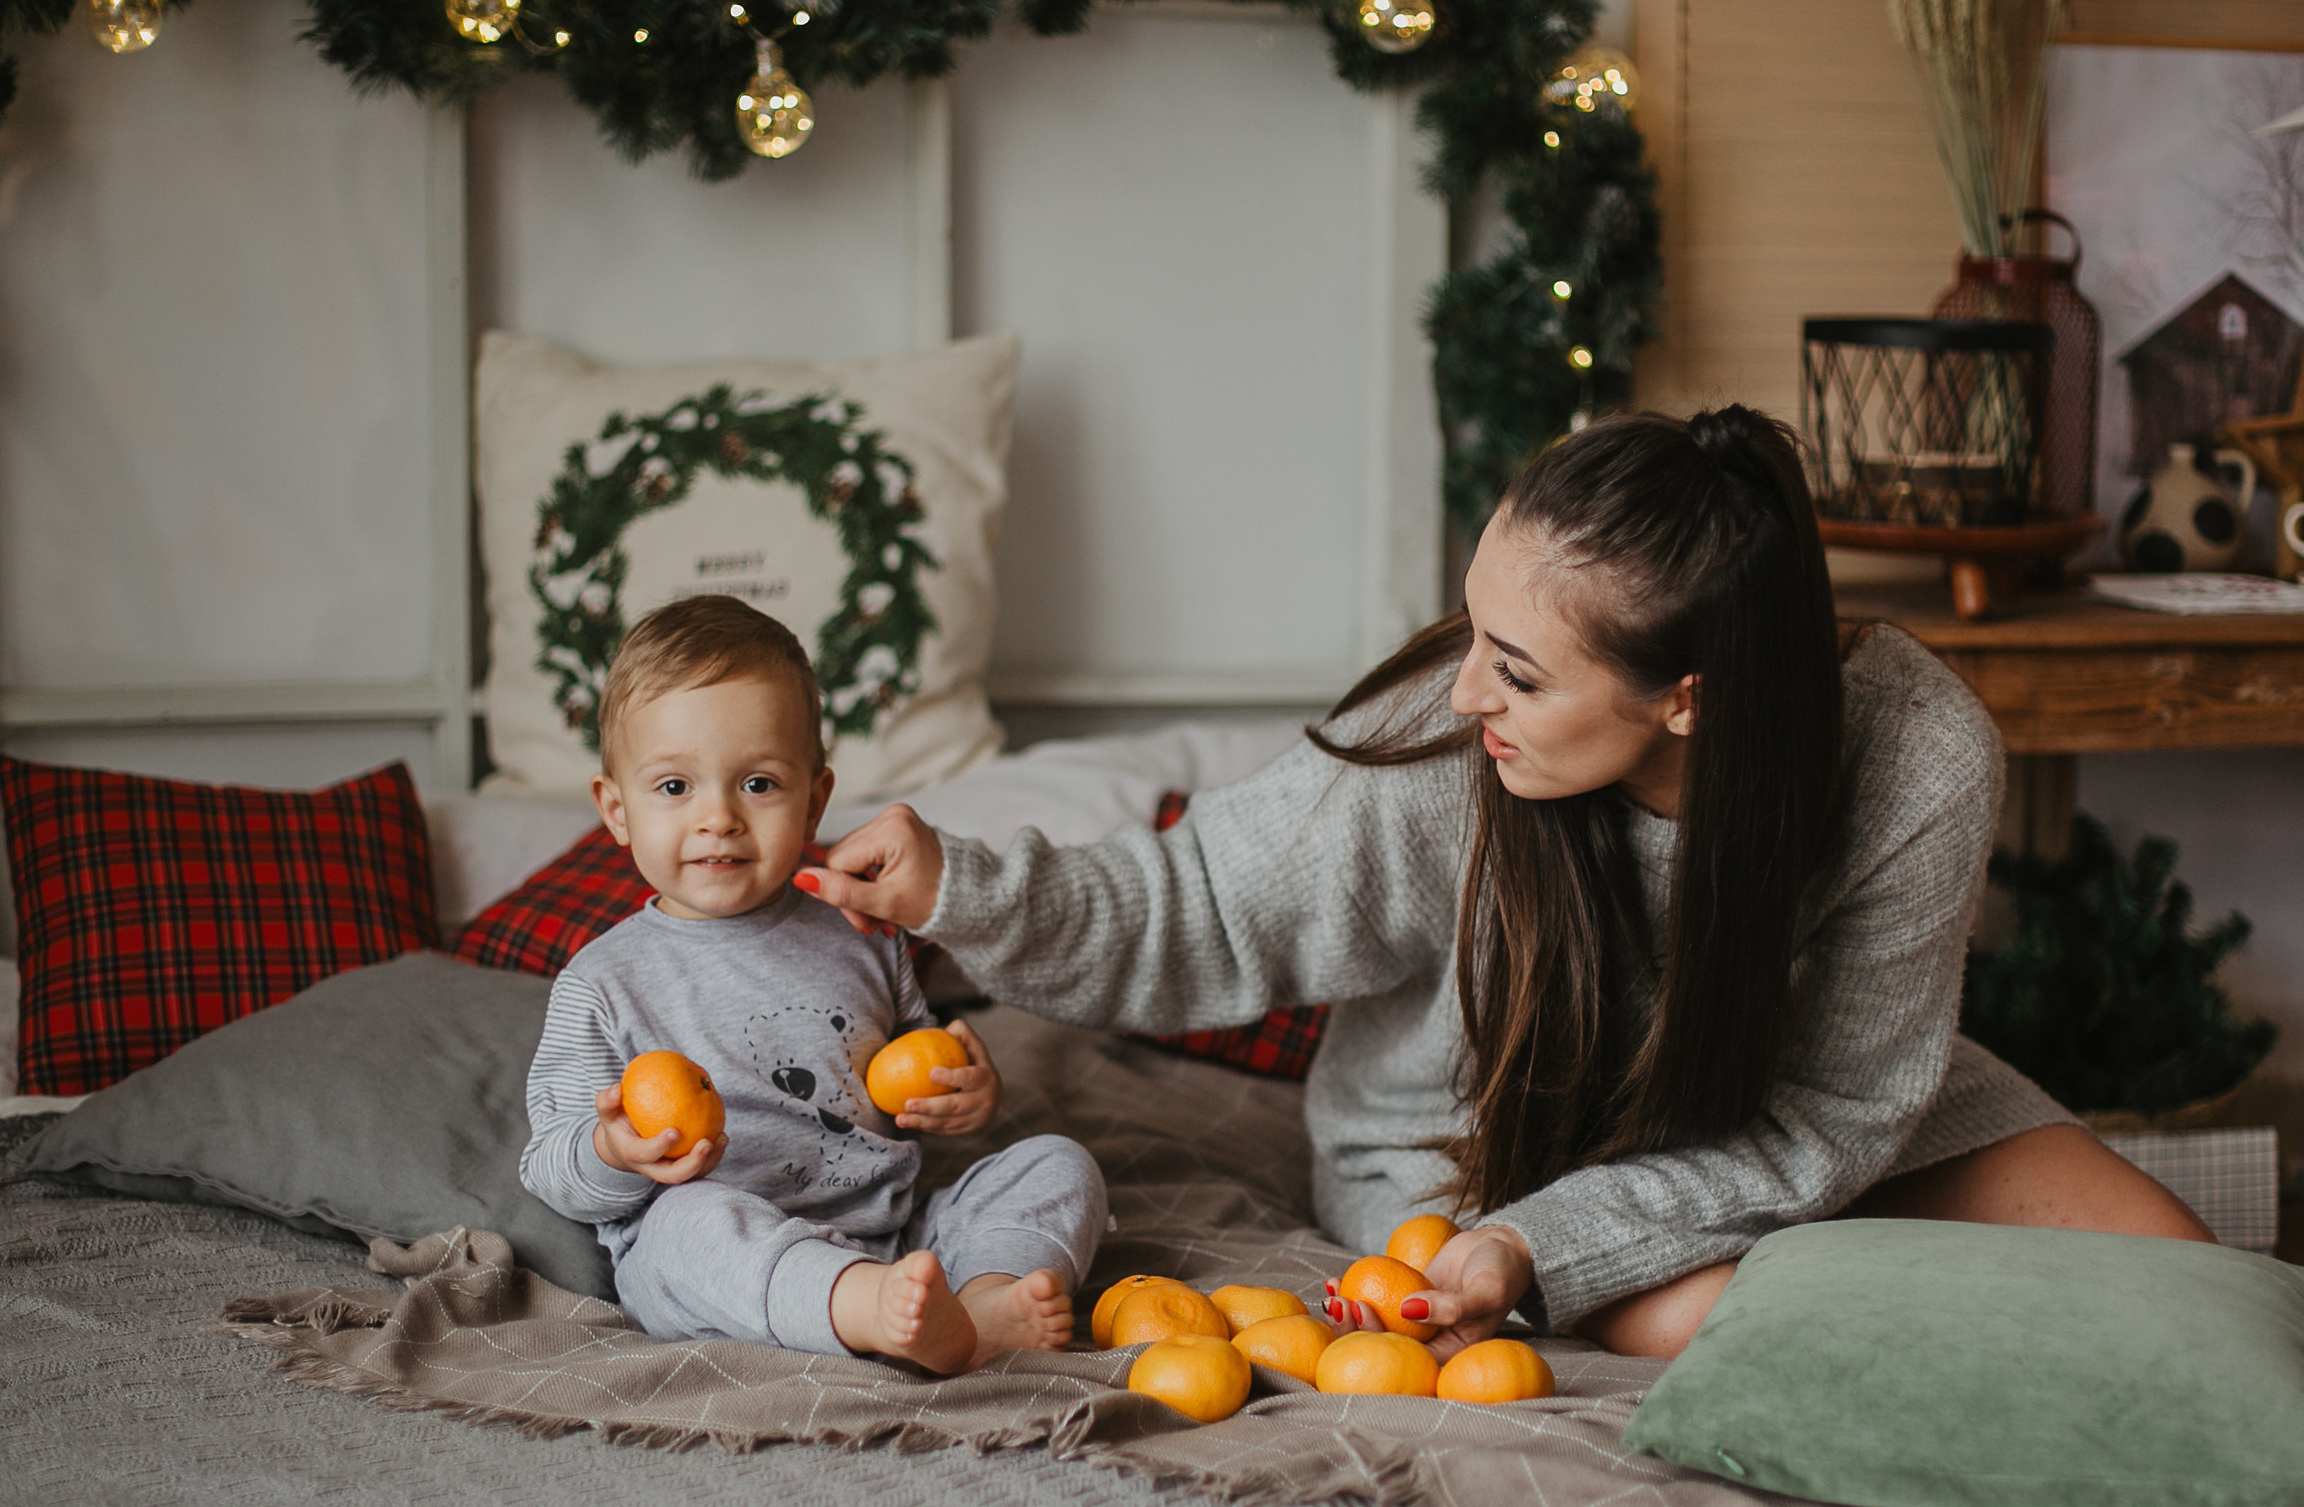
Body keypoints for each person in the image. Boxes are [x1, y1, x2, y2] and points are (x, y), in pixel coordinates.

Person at [801, 409, 2211, 1361]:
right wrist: (958, 886)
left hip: (1794, 1106)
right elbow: (1204, 905)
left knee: (2184, 1275)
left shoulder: (1921, 757)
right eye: (1474, 628)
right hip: (1479, 1141)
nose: (1468, 688)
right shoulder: (1444, 742)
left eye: (1520, 671)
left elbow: (1834, 1111)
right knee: (1729, 1323)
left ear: (1688, 700)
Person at [518, 594, 1108, 1373]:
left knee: (1057, 1162)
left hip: (895, 1233)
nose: (720, 817)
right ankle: (867, 1311)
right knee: (680, 1228)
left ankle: (983, 1302)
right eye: (675, 787)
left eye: (759, 783)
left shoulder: (860, 932)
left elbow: (913, 1074)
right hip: (734, 1255)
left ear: (814, 801)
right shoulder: (602, 982)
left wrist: (966, 1094)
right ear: (616, 809)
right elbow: (550, 1166)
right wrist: (613, 1150)